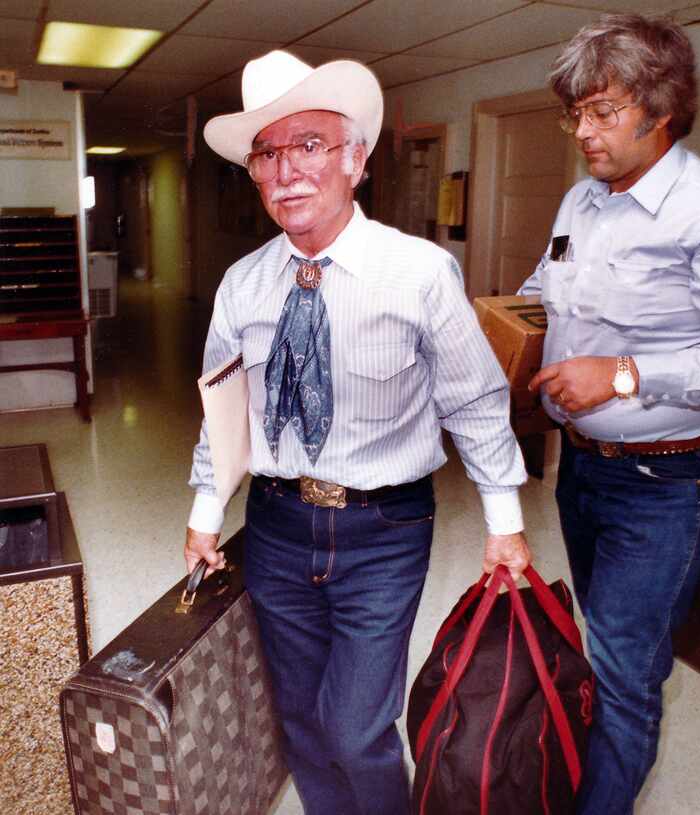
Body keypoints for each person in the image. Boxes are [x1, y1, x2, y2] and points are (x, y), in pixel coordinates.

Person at [184, 50, 531, 815]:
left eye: (308, 144)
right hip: (275, 526)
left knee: (356, 726)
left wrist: (504, 522)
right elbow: (224, 409)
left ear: (356, 159)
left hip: (383, 529)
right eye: (266, 154)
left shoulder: (420, 273)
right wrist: (206, 513)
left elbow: (475, 402)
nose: (286, 171)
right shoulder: (244, 284)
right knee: (303, 720)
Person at [517, 14, 700, 815]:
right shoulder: (583, 201)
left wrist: (627, 374)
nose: (583, 132)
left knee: (622, 670)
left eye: (602, 111)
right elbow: (547, 290)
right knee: (603, 649)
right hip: (583, 472)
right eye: (574, 113)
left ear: (662, 106)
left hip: (667, 484)